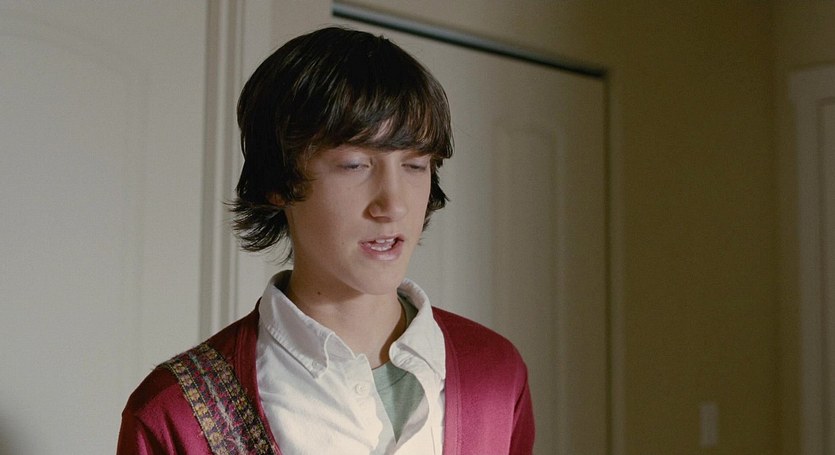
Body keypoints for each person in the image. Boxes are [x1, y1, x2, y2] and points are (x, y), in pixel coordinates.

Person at [117, 26, 534, 455]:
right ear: (277, 182)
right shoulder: (175, 415)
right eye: (355, 165)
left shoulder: (496, 374)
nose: (393, 205)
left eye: (415, 165)